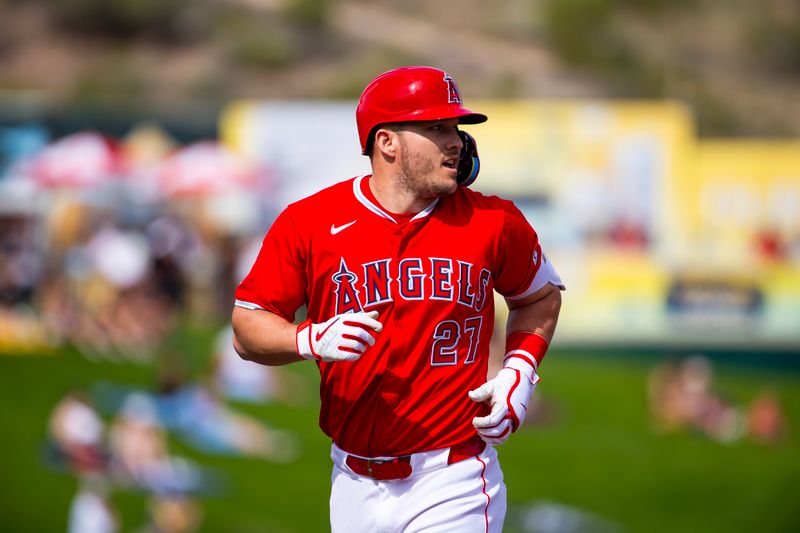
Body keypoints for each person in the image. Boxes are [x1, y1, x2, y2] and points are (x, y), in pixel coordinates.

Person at [231, 66, 564, 533]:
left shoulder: (495, 221)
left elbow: (539, 299)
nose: (456, 142)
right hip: (351, 482)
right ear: (387, 142)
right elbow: (248, 327)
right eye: (436, 128)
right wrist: (308, 338)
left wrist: (519, 371)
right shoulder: (308, 222)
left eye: (456, 129)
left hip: (453, 476)